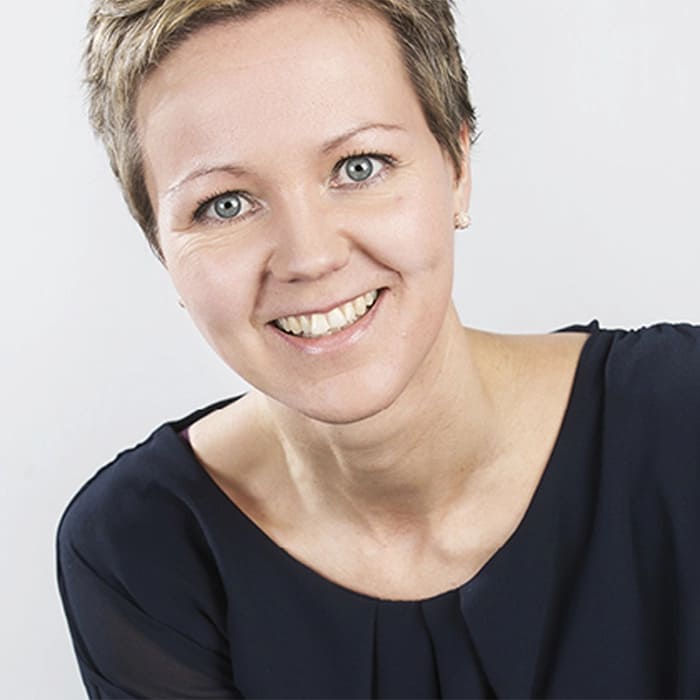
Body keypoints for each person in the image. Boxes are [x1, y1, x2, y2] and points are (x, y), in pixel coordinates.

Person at [56, 0, 700, 698]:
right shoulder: (143, 547)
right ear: (161, 248)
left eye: (359, 167)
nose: (309, 257)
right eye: (225, 204)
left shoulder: (682, 421)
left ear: (457, 168)